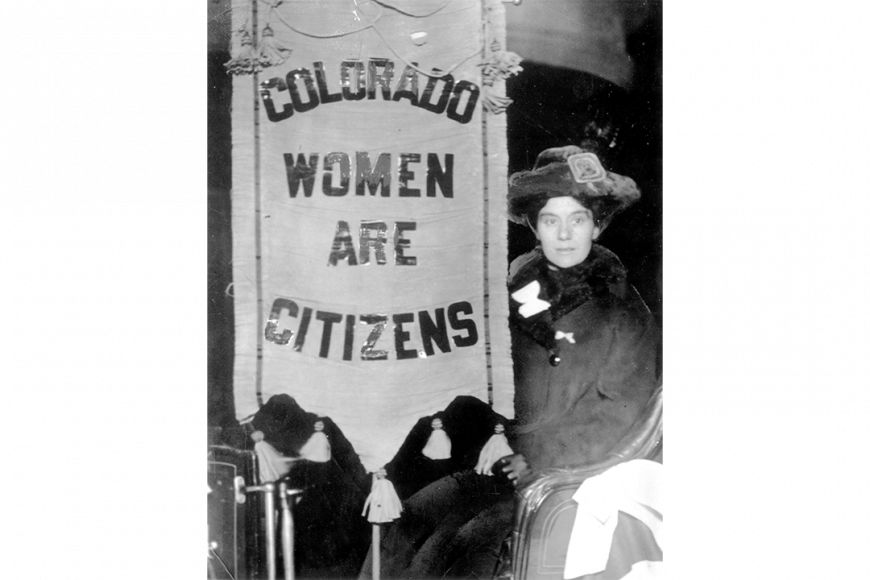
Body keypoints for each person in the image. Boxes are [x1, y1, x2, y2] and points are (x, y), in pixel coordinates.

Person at [358, 144, 661, 580]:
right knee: (408, 521)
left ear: (597, 226)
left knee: (472, 545)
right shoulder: (515, 290)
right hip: (505, 468)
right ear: (534, 227)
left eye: (577, 220)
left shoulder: (622, 310)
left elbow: (620, 416)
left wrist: (526, 456)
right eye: (550, 220)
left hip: (575, 478)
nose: (563, 234)